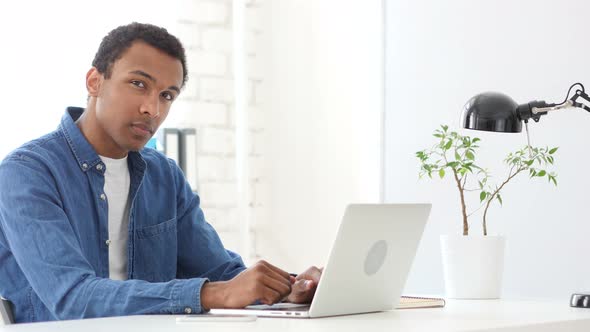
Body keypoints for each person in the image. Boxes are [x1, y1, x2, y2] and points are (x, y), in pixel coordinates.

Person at [0, 22, 321, 323]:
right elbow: (71, 297)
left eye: (167, 95)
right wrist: (213, 293)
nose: (152, 109)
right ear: (94, 81)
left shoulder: (163, 176)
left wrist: (288, 288)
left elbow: (223, 273)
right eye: (138, 84)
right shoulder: (27, 173)